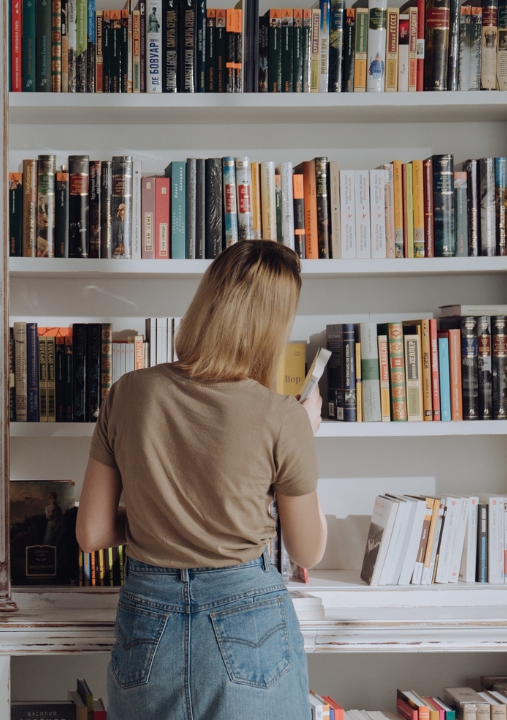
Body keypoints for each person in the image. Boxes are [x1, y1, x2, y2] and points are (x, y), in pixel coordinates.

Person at [77, 240, 326, 720]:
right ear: (273, 326)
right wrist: (306, 436)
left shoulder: (128, 393)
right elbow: (308, 550)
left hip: (147, 622)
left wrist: (162, 514)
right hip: (249, 620)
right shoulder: (282, 416)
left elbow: (91, 533)